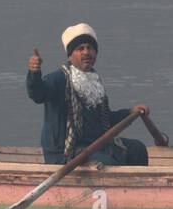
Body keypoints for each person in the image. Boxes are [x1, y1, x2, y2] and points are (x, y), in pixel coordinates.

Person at [25, 23, 149, 166]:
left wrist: (130, 112)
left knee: (137, 149)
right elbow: (38, 94)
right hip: (67, 152)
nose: (86, 52)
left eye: (90, 48)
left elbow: (105, 122)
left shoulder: (94, 81)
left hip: (95, 146)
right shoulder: (58, 79)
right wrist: (34, 73)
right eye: (80, 48)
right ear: (71, 55)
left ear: (95, 53)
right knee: (109, 164)